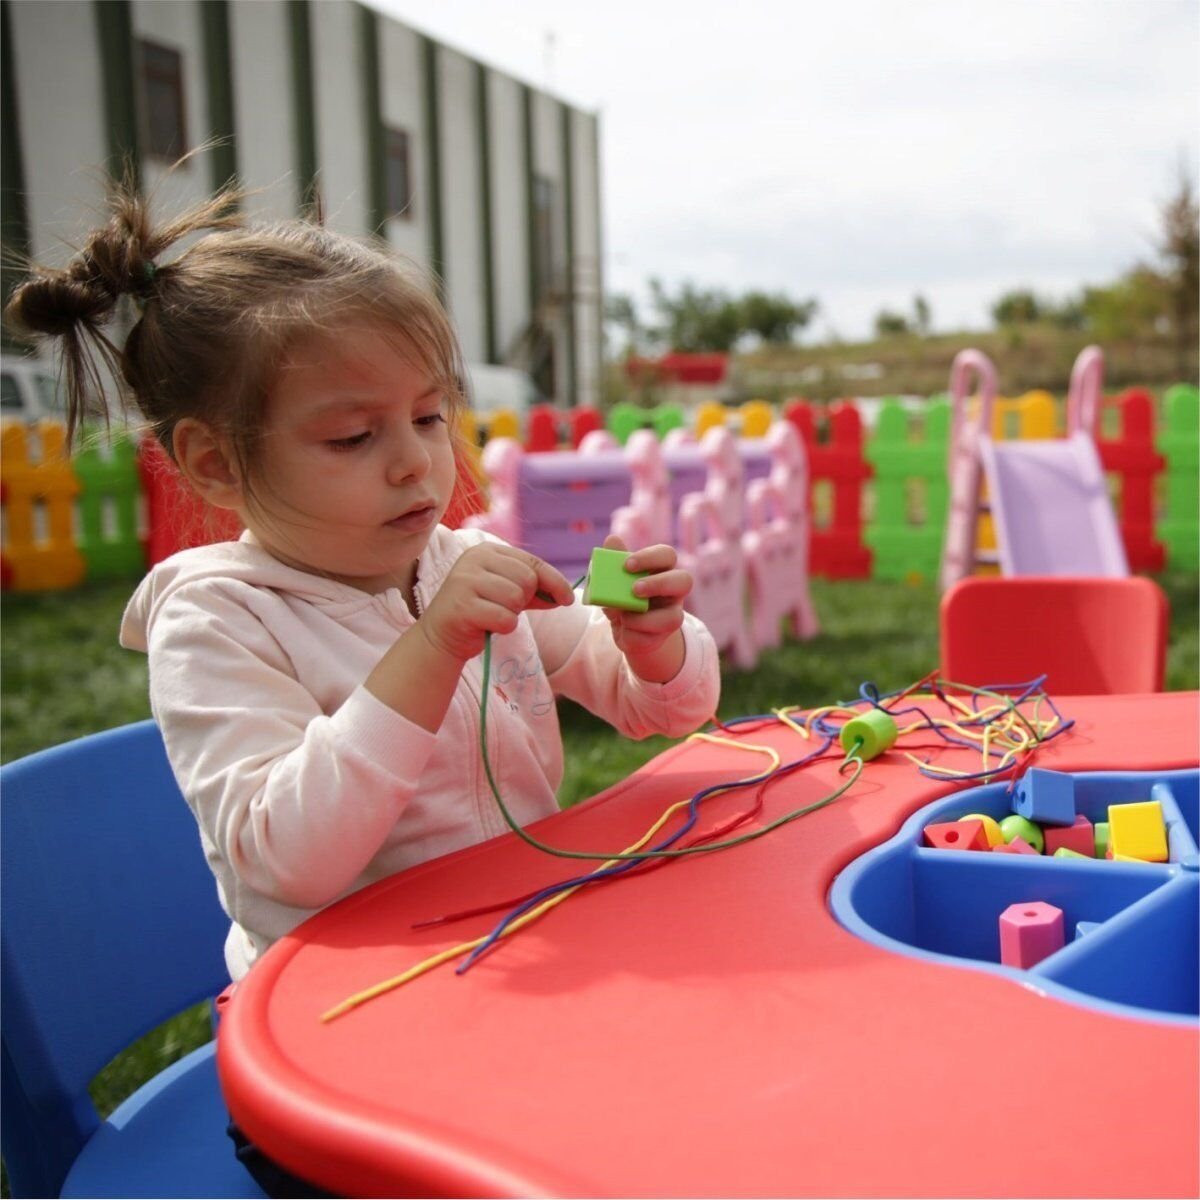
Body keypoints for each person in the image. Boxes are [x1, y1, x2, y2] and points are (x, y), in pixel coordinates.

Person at [6, 182, 721, 1193]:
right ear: (214, 463)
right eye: (353, 437)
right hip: (332, 1057)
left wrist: (651, 643)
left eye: (429, 416)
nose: (416, 464)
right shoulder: (217, 621)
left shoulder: (456, 559)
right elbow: (287, 859)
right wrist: (430, 650)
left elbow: (669, 712)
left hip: (511, 975)